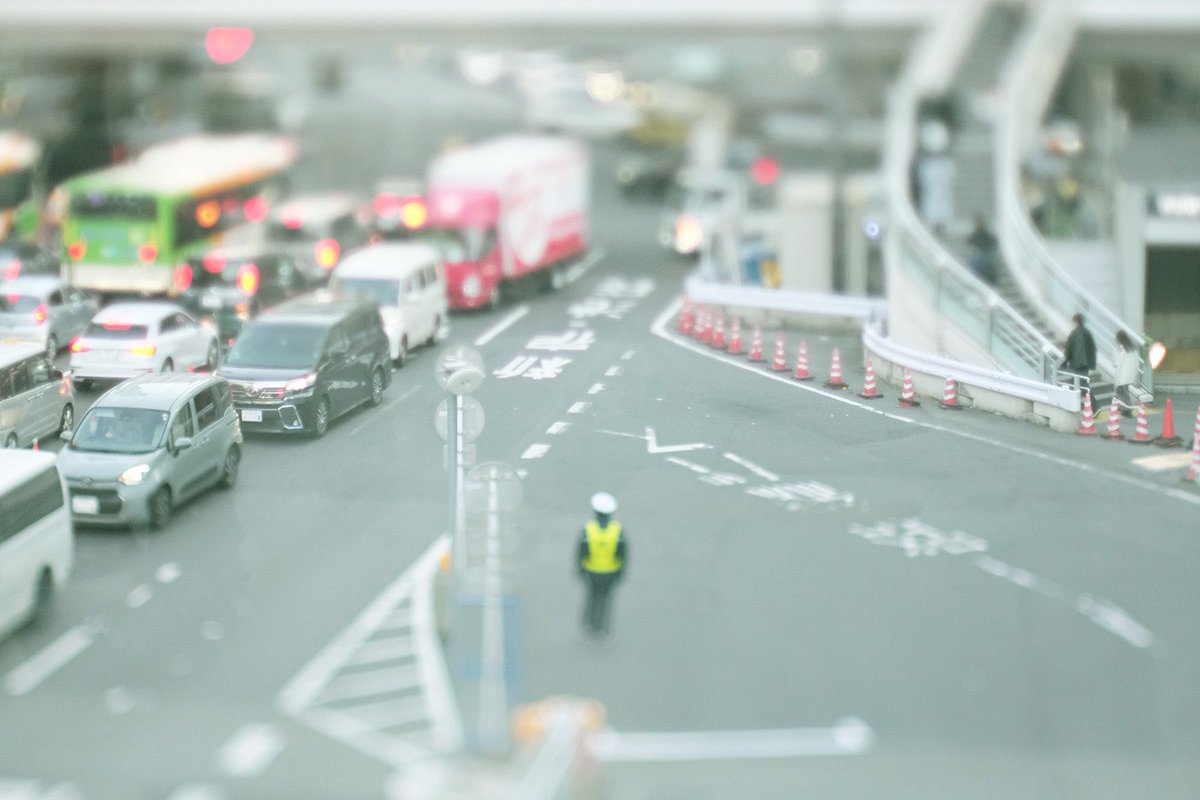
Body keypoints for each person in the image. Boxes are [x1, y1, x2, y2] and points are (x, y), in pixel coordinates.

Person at [577, 492, 627, 636]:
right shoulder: (617, 530)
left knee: (591, 597)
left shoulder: (588, 529)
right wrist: (621, 572)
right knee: (605, 599)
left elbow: (581, 552)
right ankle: (603, 627)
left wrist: (580, 569)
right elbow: (622, 554)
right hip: (611, 572)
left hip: (591, 571)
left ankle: (589, 624)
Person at [1062, 313, 1096, 394]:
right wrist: (1092, 363)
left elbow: (1069, 348)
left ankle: (1087, 401)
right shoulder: (1087, 332)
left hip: (1077, 364)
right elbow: (1092, 348)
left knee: (1077, 384)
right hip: (1086, 364)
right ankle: (1087, 401)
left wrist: (1066, 361)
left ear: (1076, 322)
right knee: (1083, 383)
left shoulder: (1074, 333)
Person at [1114, 330, 1142, 416]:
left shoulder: (1123, 349)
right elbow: (1137, 362)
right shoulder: (1132, 348)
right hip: (1129, 374)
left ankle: (1127, 410)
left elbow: (1117, 363)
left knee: (1124, 392)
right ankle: (1122, 407)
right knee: (1122, 391)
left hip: (1123, 375)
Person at [967, 216, 999, 285]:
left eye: (979, 222)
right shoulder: (976, 234)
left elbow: (992, 241)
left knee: (979, 261)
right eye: (977, 223)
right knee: (974, 263)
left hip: (985, 253)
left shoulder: (985, 233)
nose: (978, 224)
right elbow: (970, 241)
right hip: (980, 254)